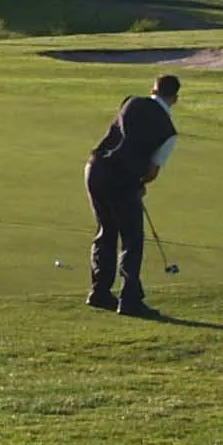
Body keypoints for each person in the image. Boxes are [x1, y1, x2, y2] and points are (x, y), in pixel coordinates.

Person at [82, 73, 180, 317]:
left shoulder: (130, 101)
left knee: (106, 231)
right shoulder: (169, 132)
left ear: (153, 90)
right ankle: (129, 300)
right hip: (121, 181)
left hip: (95, 170)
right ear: (175, 98)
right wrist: (140, 184)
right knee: (132, 239)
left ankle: (99, 292)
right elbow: (152, 171)